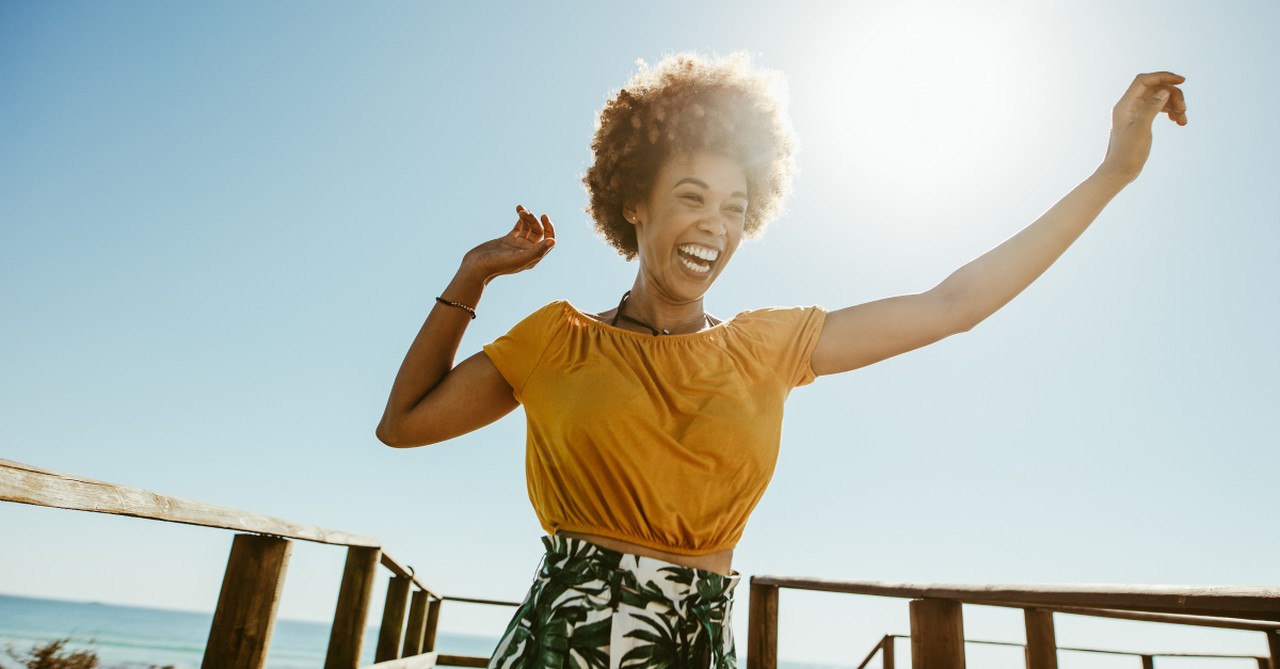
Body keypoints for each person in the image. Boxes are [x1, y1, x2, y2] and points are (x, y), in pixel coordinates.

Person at [377, 52, 1187, 669]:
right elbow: (403, 425)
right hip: (561, 644)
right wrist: (471, 273)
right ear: (634, 202)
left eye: (734, 208)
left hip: (697, 642)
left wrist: (1112, 172)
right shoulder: (555, 338)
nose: (713, 226)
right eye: (691, 196)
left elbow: (954, 305)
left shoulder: (769, 346)